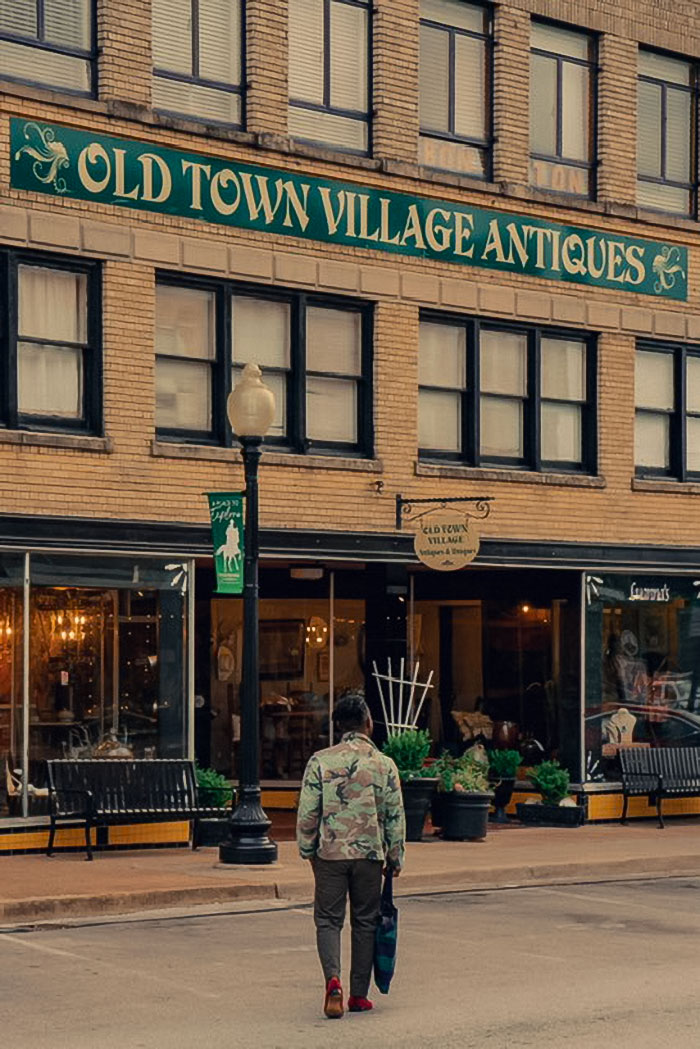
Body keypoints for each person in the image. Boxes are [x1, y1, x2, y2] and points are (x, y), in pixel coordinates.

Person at [296, 693, 405, 1019]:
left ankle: (333, 981)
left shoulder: (320, 761)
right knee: (365, 921)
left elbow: (306, 813)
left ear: (338, 727)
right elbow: (394, 815)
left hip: (329, 854)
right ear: (368, 724)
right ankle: (358, 995)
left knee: (328, 920)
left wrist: (307, 849)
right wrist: (395, 855)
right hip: (369, 855)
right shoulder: (384, 765)